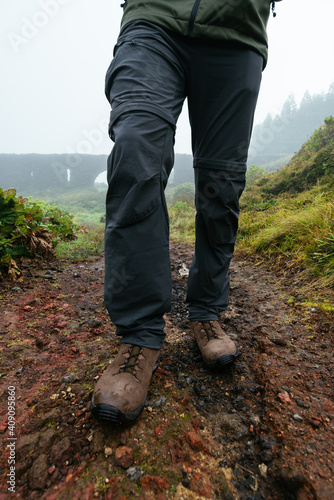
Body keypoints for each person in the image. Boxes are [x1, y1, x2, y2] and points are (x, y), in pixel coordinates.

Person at [91, 0, 282, 425]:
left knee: (222, 184)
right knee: (136, 149)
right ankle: (139, 335)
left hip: (237, 33)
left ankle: (206, 311)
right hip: (154, 22)